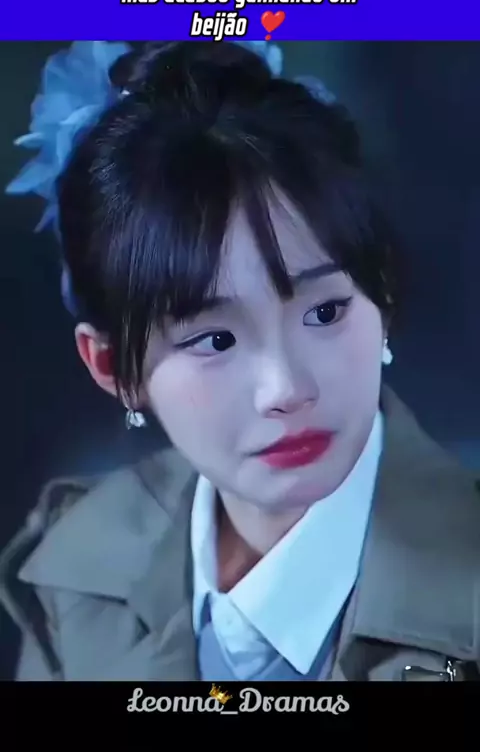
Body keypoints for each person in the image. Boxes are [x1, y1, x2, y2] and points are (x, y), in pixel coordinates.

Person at [1, 40, 479, 683]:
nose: (285, 388)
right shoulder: (82, 562)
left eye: (325, 312)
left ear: (383, 300)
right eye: (215, 340)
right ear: (114, 366)